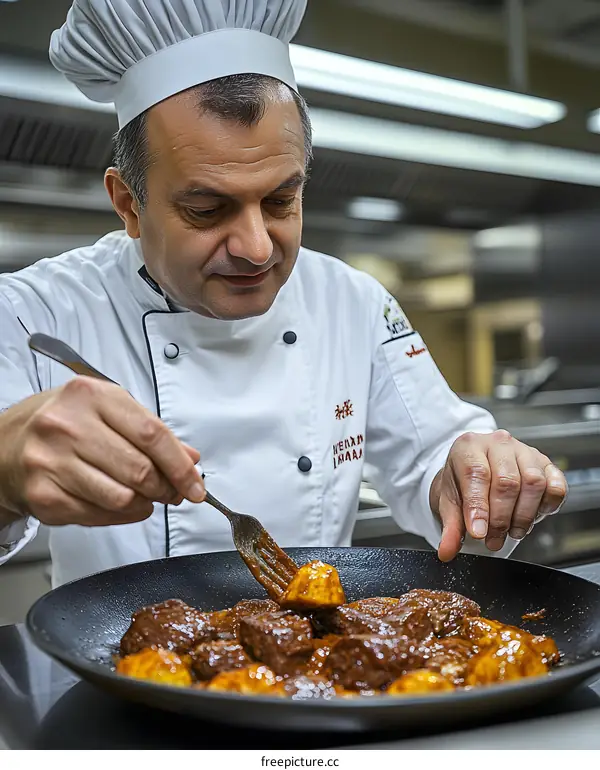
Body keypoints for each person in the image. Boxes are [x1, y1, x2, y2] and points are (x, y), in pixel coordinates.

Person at [0, 0, 567, 588]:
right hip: (115, 663)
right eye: (206, 209)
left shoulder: (353, 302)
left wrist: (471, 473)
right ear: (128, 205)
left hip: (316, 669)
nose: (255, 248)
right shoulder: (29, 311)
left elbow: (431, 455)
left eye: (280, 201)